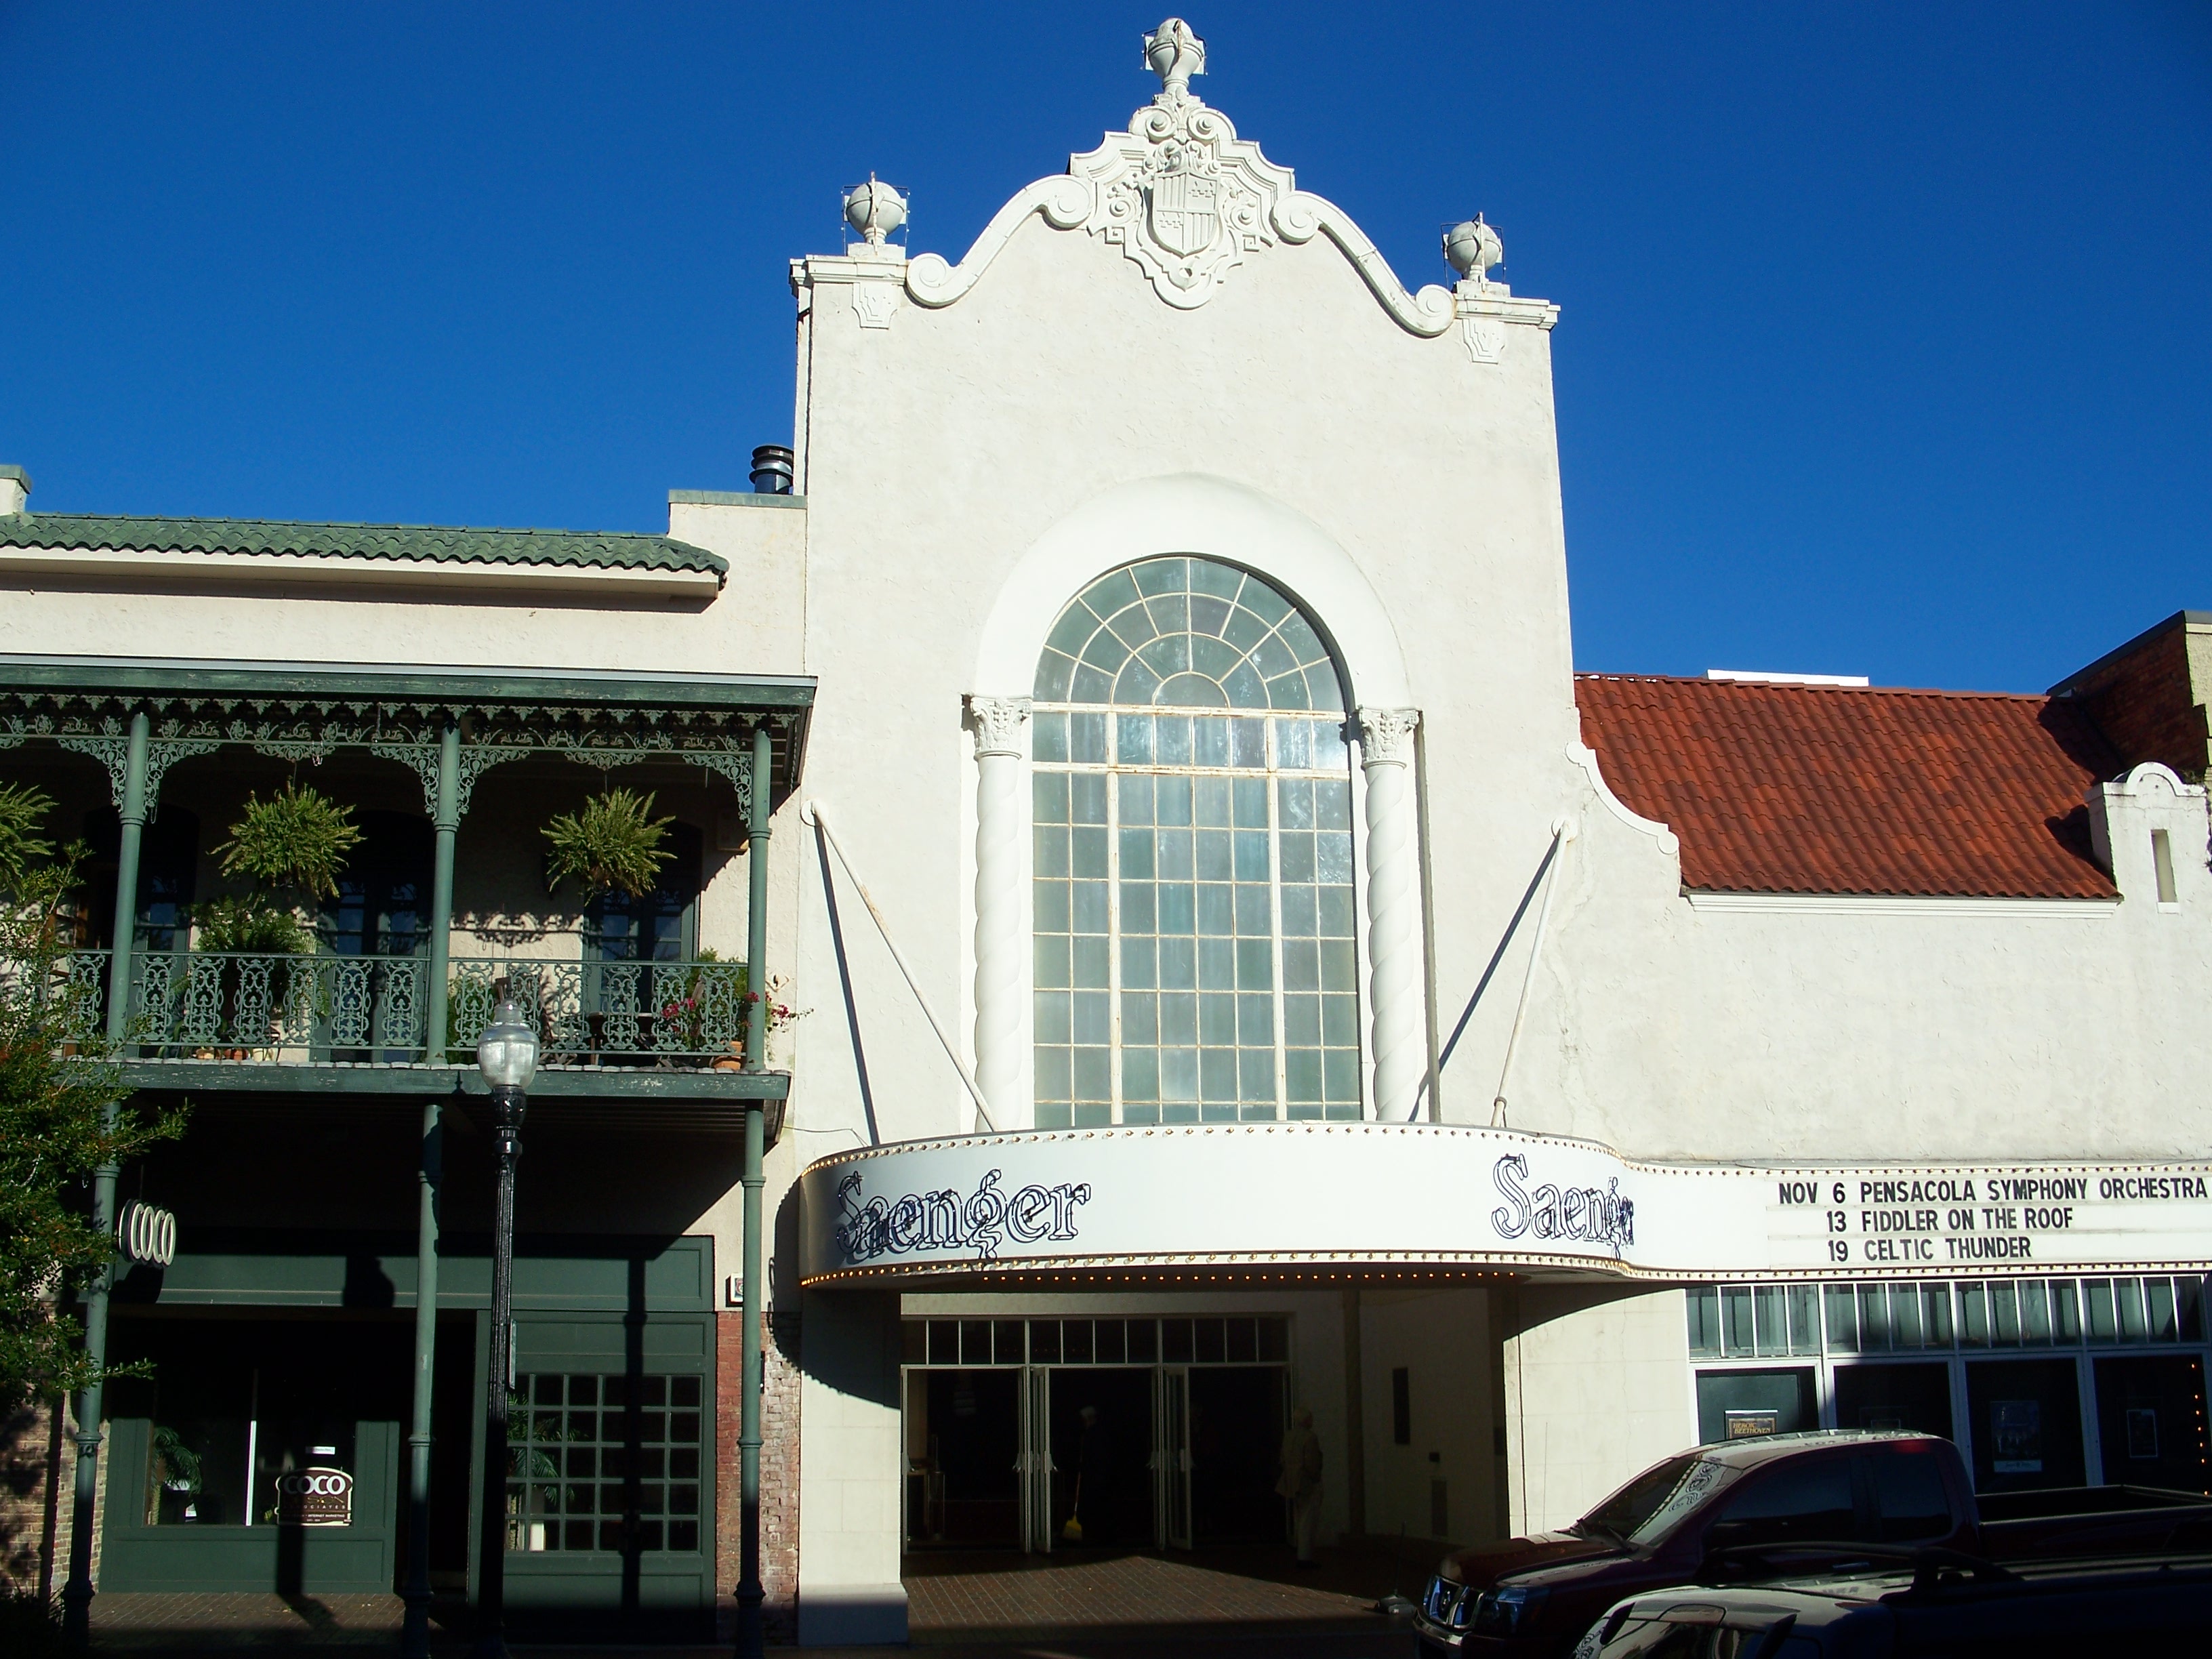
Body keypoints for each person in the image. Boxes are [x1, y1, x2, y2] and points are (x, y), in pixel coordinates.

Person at [1277, 1404, 1323, 1567]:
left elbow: (1283, 1458)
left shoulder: (1288, 1436)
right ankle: (1304, 1557)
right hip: (1306, 1482)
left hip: (1292, 1481)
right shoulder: (1310, 1438)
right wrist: (1316, 1477)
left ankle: (1299, 1550)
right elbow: (1311, 1463)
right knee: (1307, 1520)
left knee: (1299, 1518)